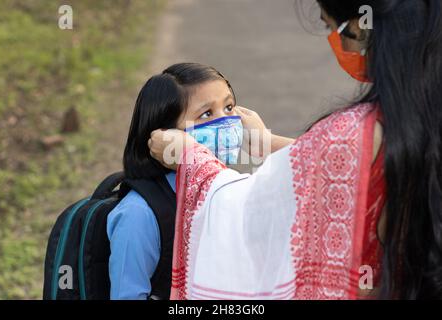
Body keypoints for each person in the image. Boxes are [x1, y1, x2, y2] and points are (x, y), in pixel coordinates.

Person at [148, 0, 442, 299]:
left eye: (331, 27)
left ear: (358, 26)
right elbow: (345, 163)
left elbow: (247, 208)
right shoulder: (418, 112)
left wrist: (191, 158)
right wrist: (267, 144)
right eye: (207, 113)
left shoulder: (349, 133)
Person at [107, 62, 243, 299]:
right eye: (207, 114)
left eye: (229, 107)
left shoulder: (224, 190)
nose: (226, 123)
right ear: (165, 136)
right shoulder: (139, 214)